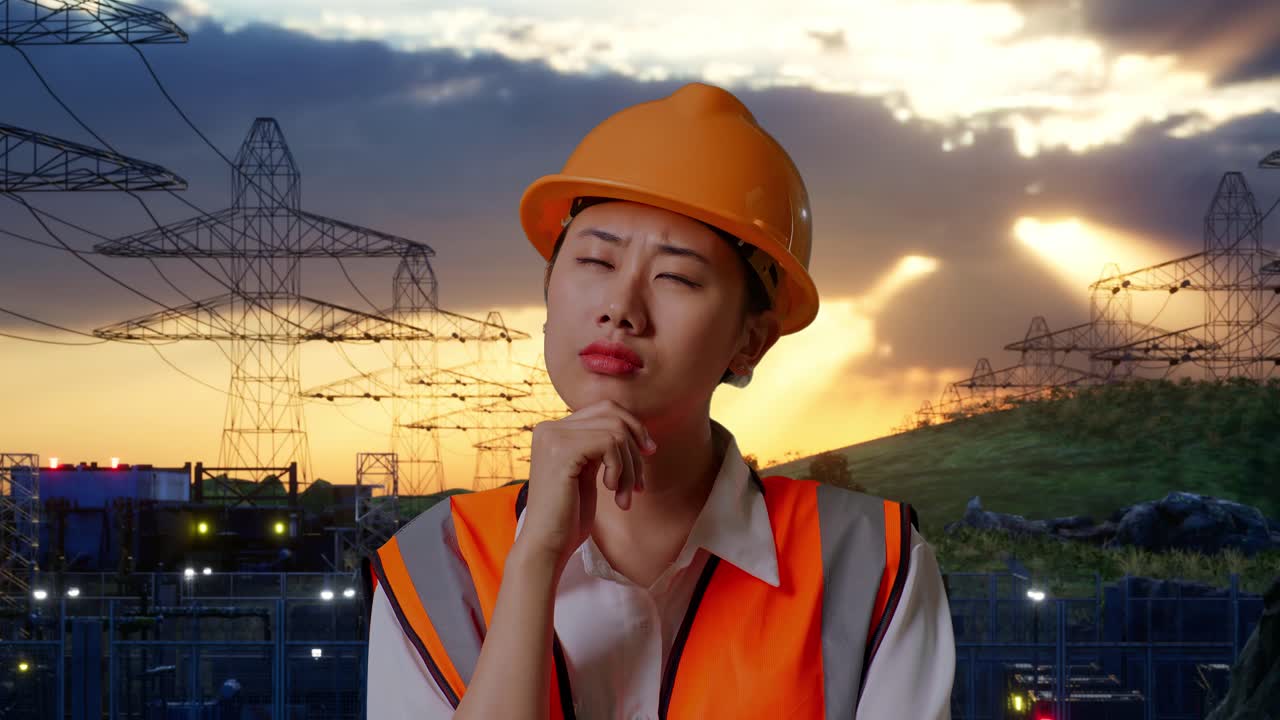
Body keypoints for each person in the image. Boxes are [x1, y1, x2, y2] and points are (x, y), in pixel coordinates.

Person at [365, 82, 956, 719]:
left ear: (749, 341)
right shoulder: (436, 566)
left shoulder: (869, 561)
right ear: (548, 293)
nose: (620, 308)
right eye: (594, 261)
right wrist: (535, 558)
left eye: (675, 276)